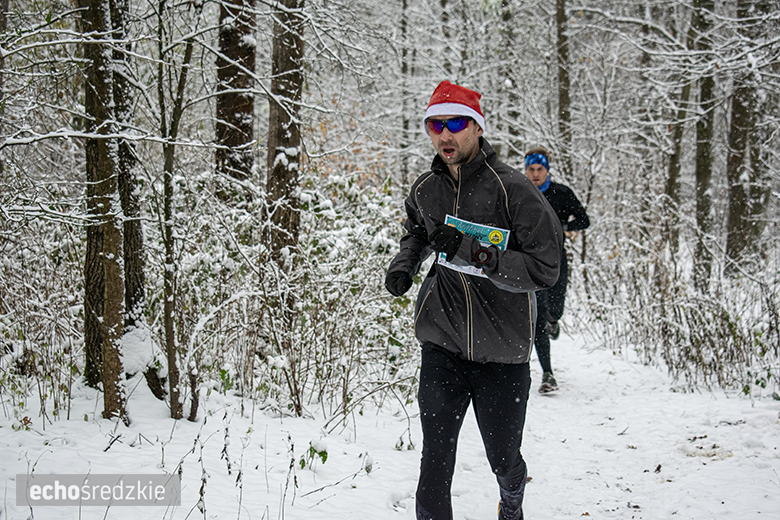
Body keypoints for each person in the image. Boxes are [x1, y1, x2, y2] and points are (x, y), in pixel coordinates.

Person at [384, 81, 563, 520]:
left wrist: (471, 250)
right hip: (442, 342)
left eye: (457, 123)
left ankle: (512, 498)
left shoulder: (514, 191)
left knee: (503, 458)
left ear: (477, 128)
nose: (445, 135)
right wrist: (405, 263)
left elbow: (545, 268)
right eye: (435, 125)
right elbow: (417, 230)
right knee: (435, 459)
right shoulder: (426, 187)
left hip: (502, 351)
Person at [523, 147, 590, 393]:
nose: (535, 174)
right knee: (538, 317)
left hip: (557, 260)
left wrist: (563, 226)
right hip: (531, 262)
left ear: (547, 170)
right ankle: (548, 374)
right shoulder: (520, 192)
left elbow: (584, 219)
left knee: (554, 311)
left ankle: (554, 320)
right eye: (531, 169)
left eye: (539, 169)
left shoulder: (561, 193)